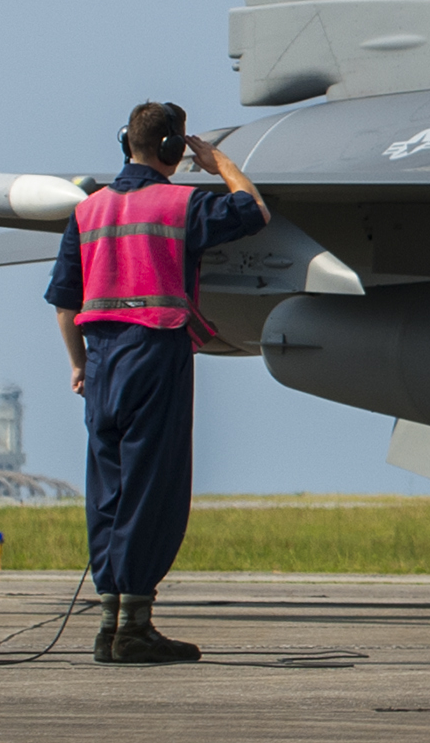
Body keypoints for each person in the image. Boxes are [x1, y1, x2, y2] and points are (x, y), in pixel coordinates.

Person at [45, 102, 269, 664]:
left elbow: (64, 303)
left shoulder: (88, 211)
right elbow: (254, 210)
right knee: (153, 485)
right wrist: (218, 162)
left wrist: (78, 365)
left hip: (100, 362)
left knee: (109, 486)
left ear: (126, 142)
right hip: (155, 353)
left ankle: (108, 622)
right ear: (172, 150)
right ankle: (136, 626)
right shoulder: (183, 203)